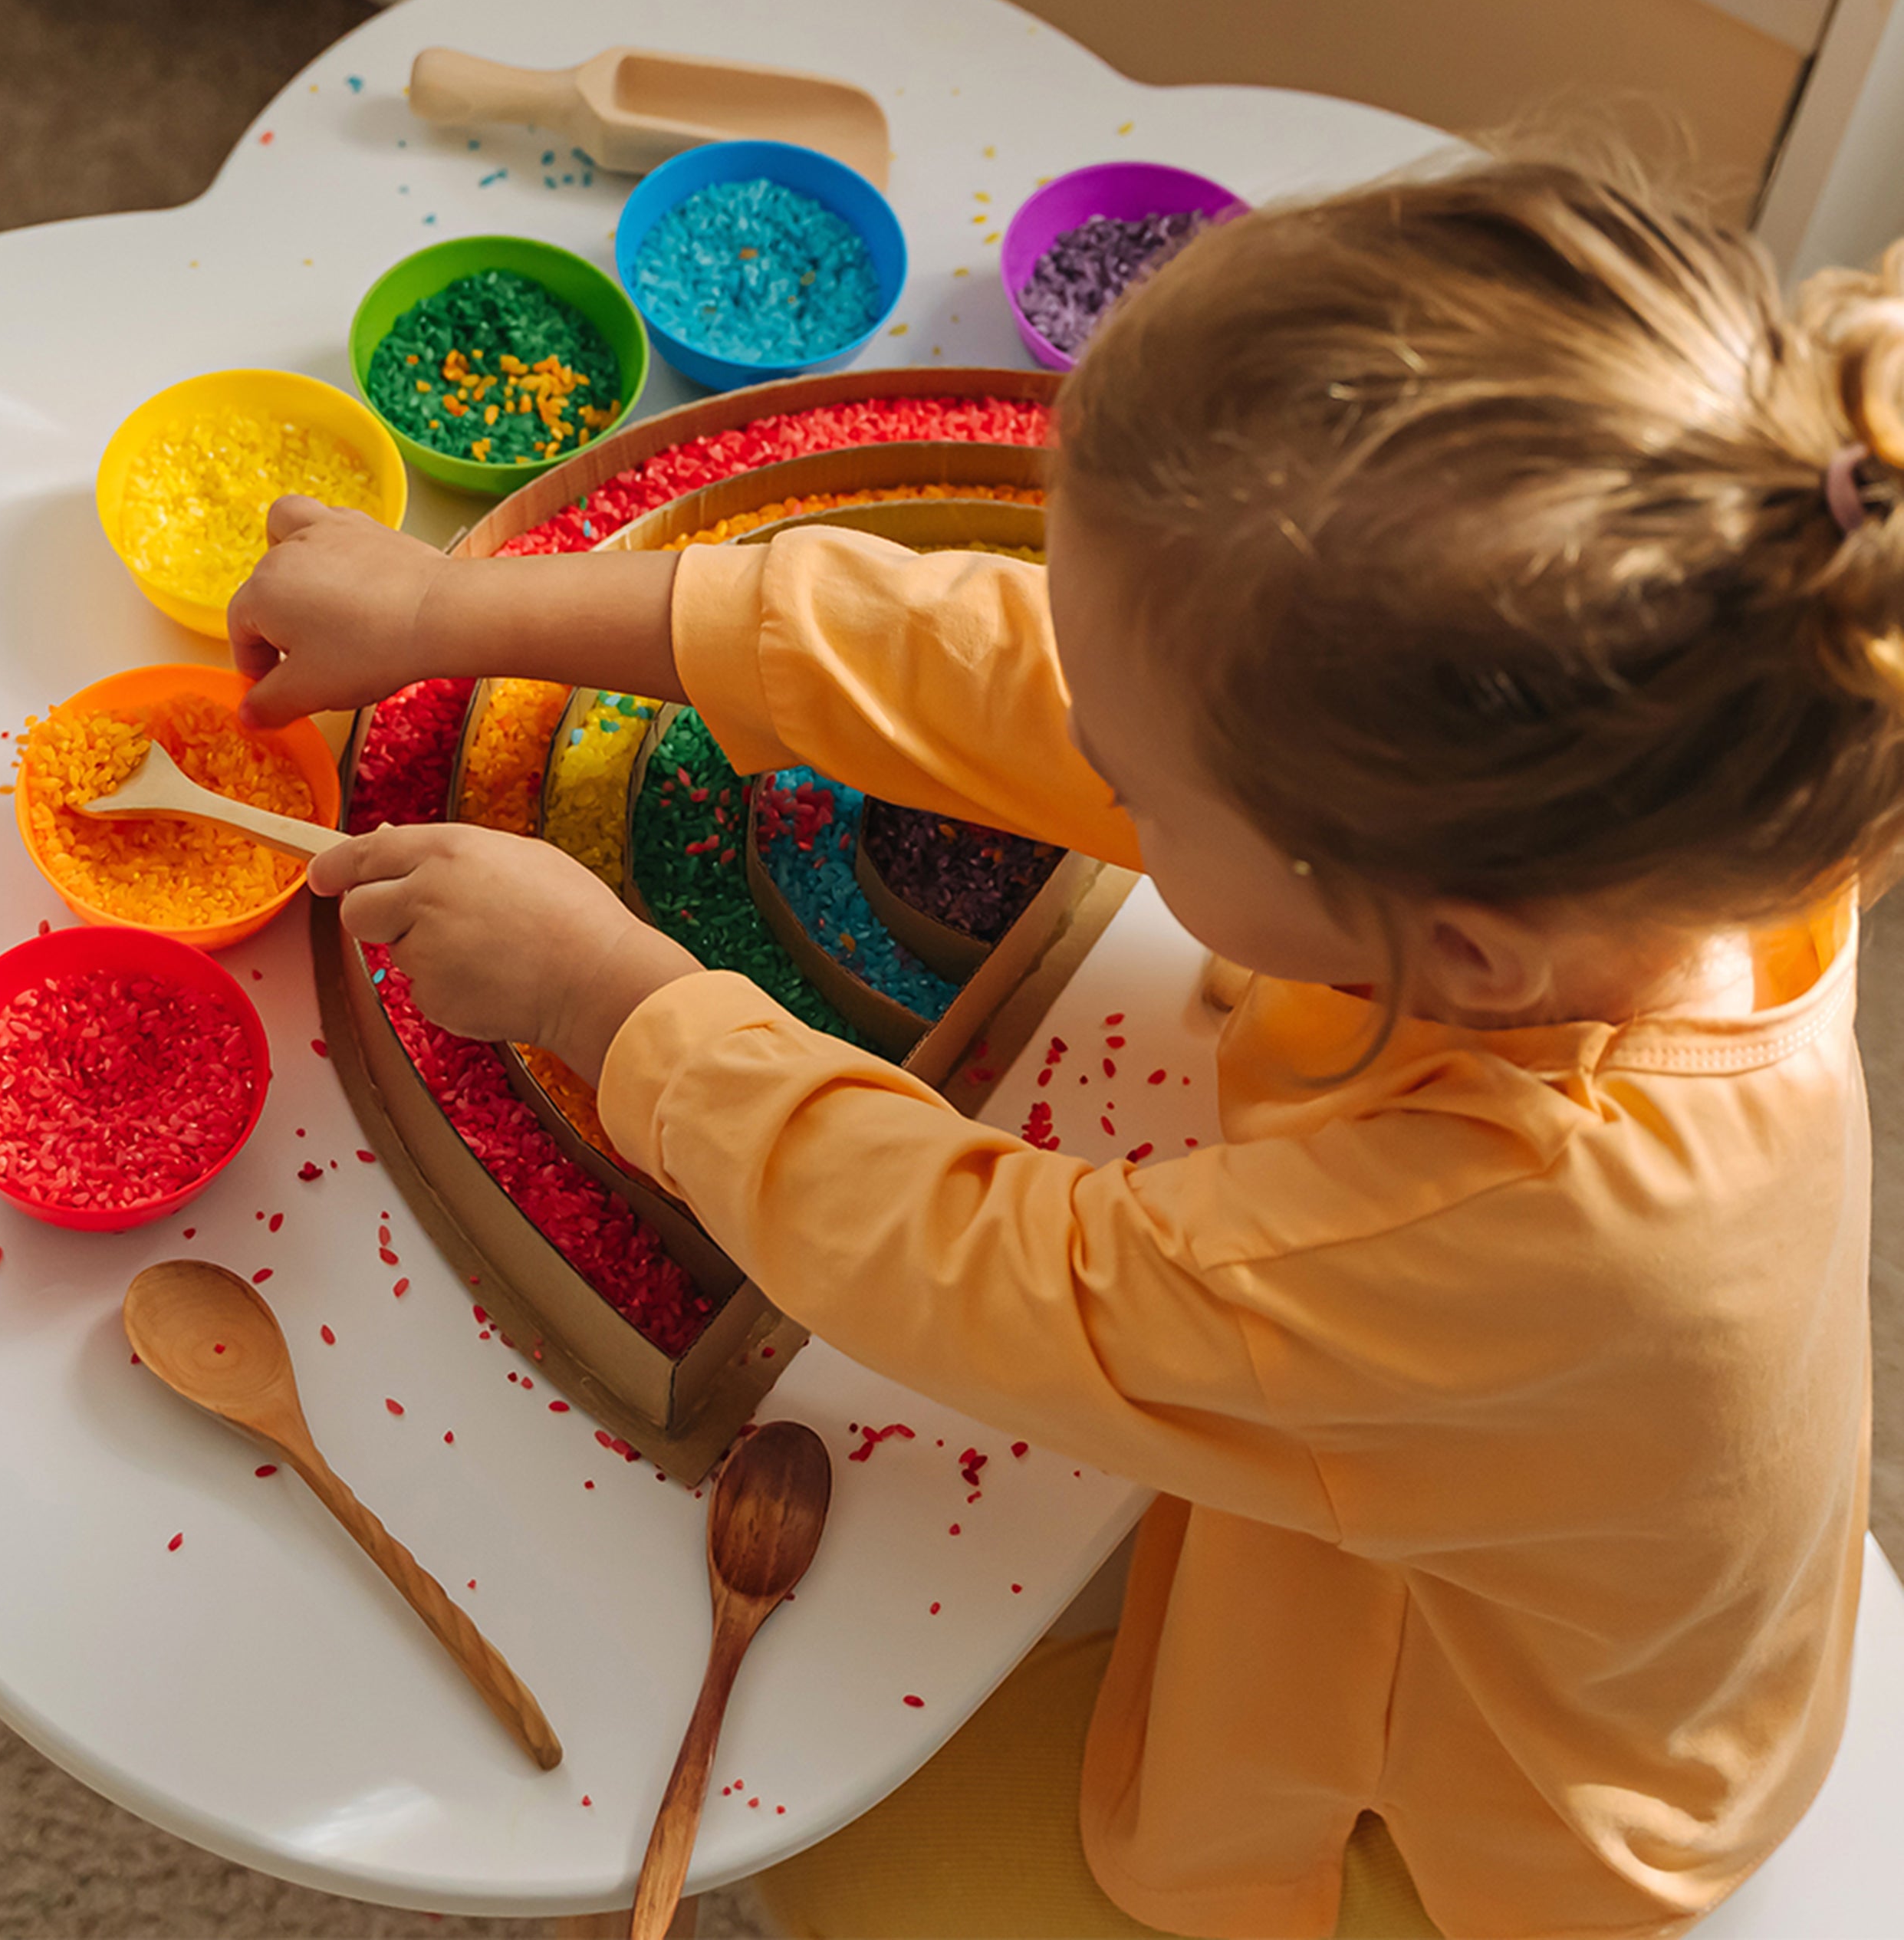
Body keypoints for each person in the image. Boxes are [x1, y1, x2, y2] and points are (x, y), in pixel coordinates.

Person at [227, 161, 1891, 1939]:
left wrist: (609, 1001)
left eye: (1145, 798)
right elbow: (1011, 667)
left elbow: (1006, 1278)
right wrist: (459, 618)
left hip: (1494, 1814)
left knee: (836, 1837)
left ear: (1443, 942)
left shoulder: (1518, 1231)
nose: (1093, 763)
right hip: (1544, 1542)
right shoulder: (1683, 812)